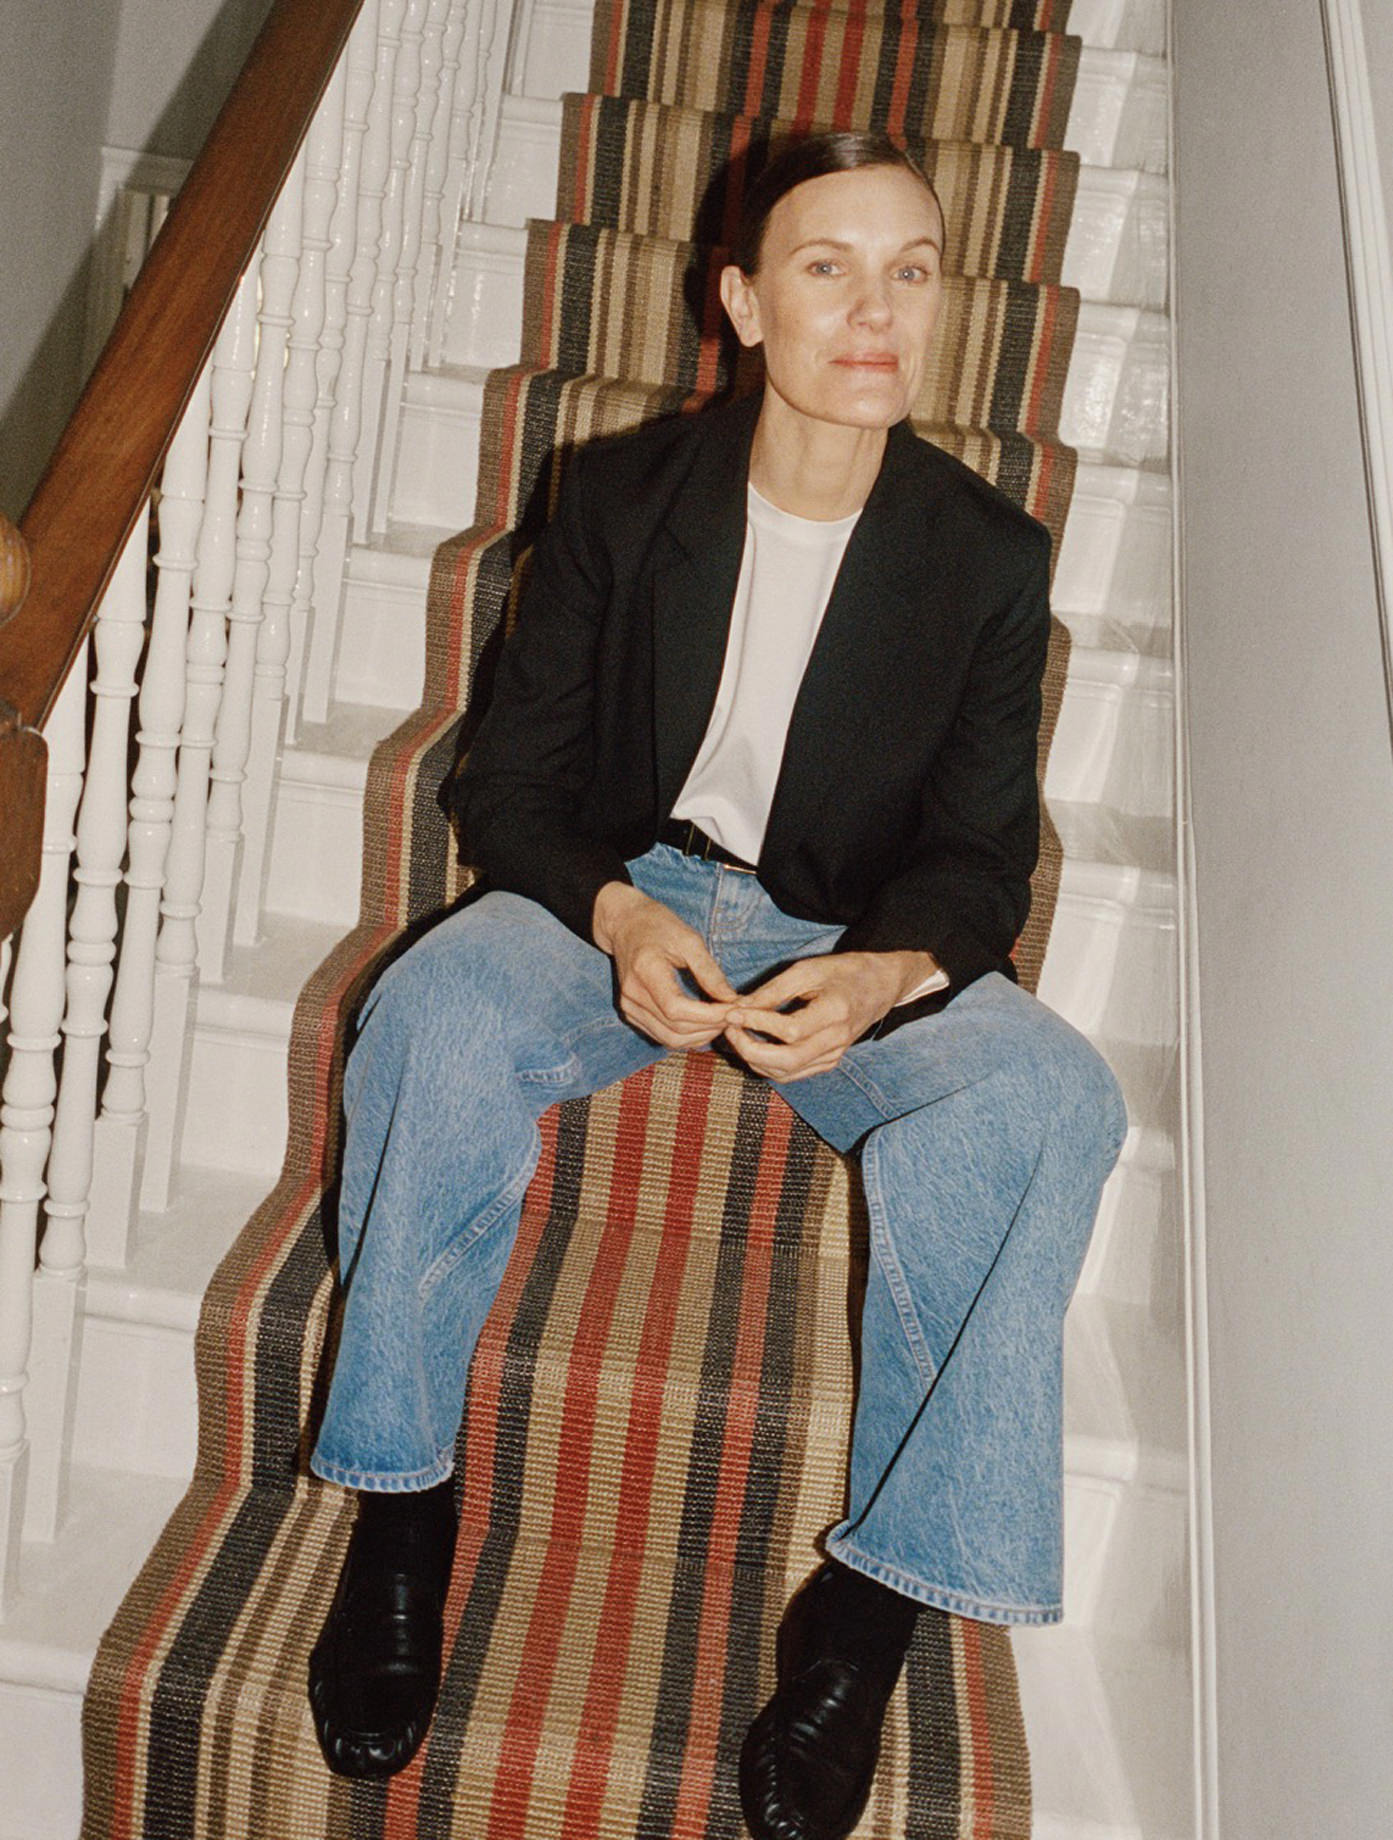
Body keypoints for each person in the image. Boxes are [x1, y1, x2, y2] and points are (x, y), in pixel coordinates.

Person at [306, 131, 1127, 1840]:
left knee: (1054, 1098)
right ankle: (401, 1512)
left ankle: (868, 1612)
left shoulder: (983, 554)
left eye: (911, 270)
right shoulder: (621, 499)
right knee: (432, 1018)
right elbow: (507, 785)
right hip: (621, 885)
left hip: (843, 930)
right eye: (829, 267)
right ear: (743, 304)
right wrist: (612, 915)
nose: (876, 309)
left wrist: (883, 970)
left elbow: (980, 857)